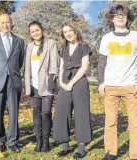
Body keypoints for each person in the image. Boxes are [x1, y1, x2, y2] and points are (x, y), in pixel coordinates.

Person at [98, 4, 137, 160]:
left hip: (131, 87)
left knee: (134, 123)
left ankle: (134, 154)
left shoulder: (135, 36)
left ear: (127, 18)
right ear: (111, 18)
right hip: (111, 87)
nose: (121, 17)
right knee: (110, 122)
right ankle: (111, 152)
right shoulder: (107, 38)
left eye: (123, 14)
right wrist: (101, 82)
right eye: (117, 14)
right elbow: (101, 62)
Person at [0, 14, 25, 153]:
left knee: (13, 112)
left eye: (8, 22)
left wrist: (10, 71)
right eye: (2, 23)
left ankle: (12, 140)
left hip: (13, 80)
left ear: (11, 23)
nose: (5, 25)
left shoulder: (19, 41)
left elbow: (20, 61)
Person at [52, 22, 92, 159]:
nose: (68, 33)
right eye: (65, 32)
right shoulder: (63, 48)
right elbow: (62, 67)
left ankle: (81, 147)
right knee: (62, 113)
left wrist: (72, 83)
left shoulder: (84, 47)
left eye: (70, 30)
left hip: (79, 82)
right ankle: (65, 146)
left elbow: (84, 67)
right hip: (64, 83)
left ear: (75, 31)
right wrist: (61, 82)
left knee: (81, 114)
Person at [24, 21, 59, 152]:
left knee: (46, 113)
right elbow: (27, 67)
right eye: (32, 31)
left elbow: (55, 63)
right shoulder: (29, 46)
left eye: (37, 30)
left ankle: (46, 141)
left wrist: (52, 79)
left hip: (46, 84)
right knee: (36, 114)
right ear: (30, 34)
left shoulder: (50, 44)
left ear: (42, 30)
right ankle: (38, 141)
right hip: (33, 85)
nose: (35, 33)